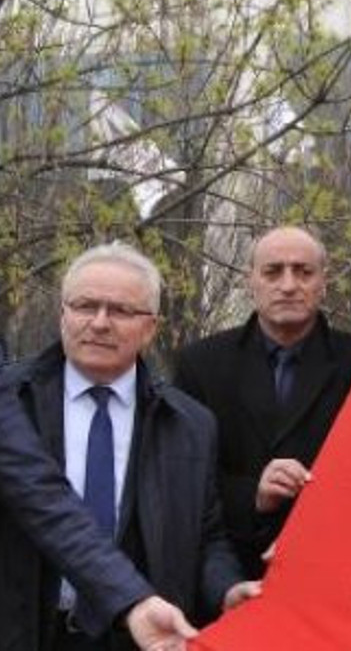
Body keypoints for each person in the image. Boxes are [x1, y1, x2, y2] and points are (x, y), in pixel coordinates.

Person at [0, 242, 257, 650]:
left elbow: (206, 538)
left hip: (141, 638)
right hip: (26, 632)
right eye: (85, 306)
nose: (100, 323)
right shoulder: (12, 400)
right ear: (62, 313)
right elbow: (45, 508)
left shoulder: (190, 424)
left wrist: (225, 591)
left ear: (151, 327)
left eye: (120, 311)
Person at [173, 226, 351, 578]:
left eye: (303, 272)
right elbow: (183, 476)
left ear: (324, 282)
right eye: (273, 271)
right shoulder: (201, 364)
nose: (289, 285)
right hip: (228, 572)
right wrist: (254, 494)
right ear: (251, 281)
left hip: (335, 569)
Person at [1, 377, 198, 651]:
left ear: (150, 332)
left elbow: (41, 496)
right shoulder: (21, 389)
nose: (100, 330)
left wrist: (132, 601)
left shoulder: (189, 420)